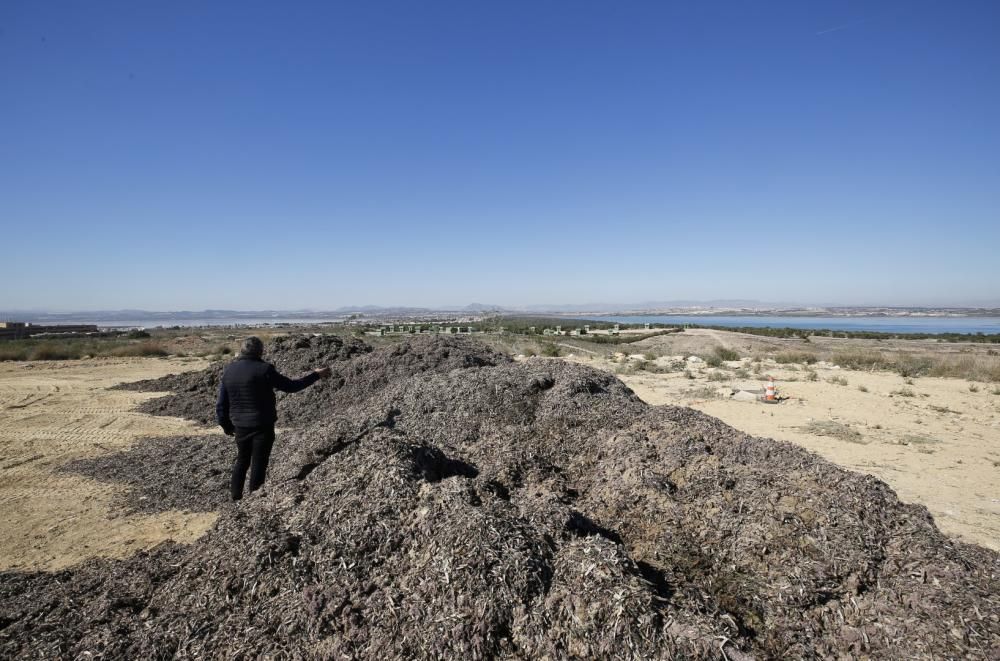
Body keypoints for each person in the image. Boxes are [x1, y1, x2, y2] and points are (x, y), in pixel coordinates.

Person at [216, 336, 331, 500]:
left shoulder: (229, 371)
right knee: (259, 462)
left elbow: (221, 404)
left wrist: (226, 425)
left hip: (240, 425)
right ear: (260, 352)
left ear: (242, 350)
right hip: (263, 425)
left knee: (242, 460)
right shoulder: (264, 369)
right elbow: (291, 387)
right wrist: (316, 375)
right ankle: (254, 498)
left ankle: (235, 497)